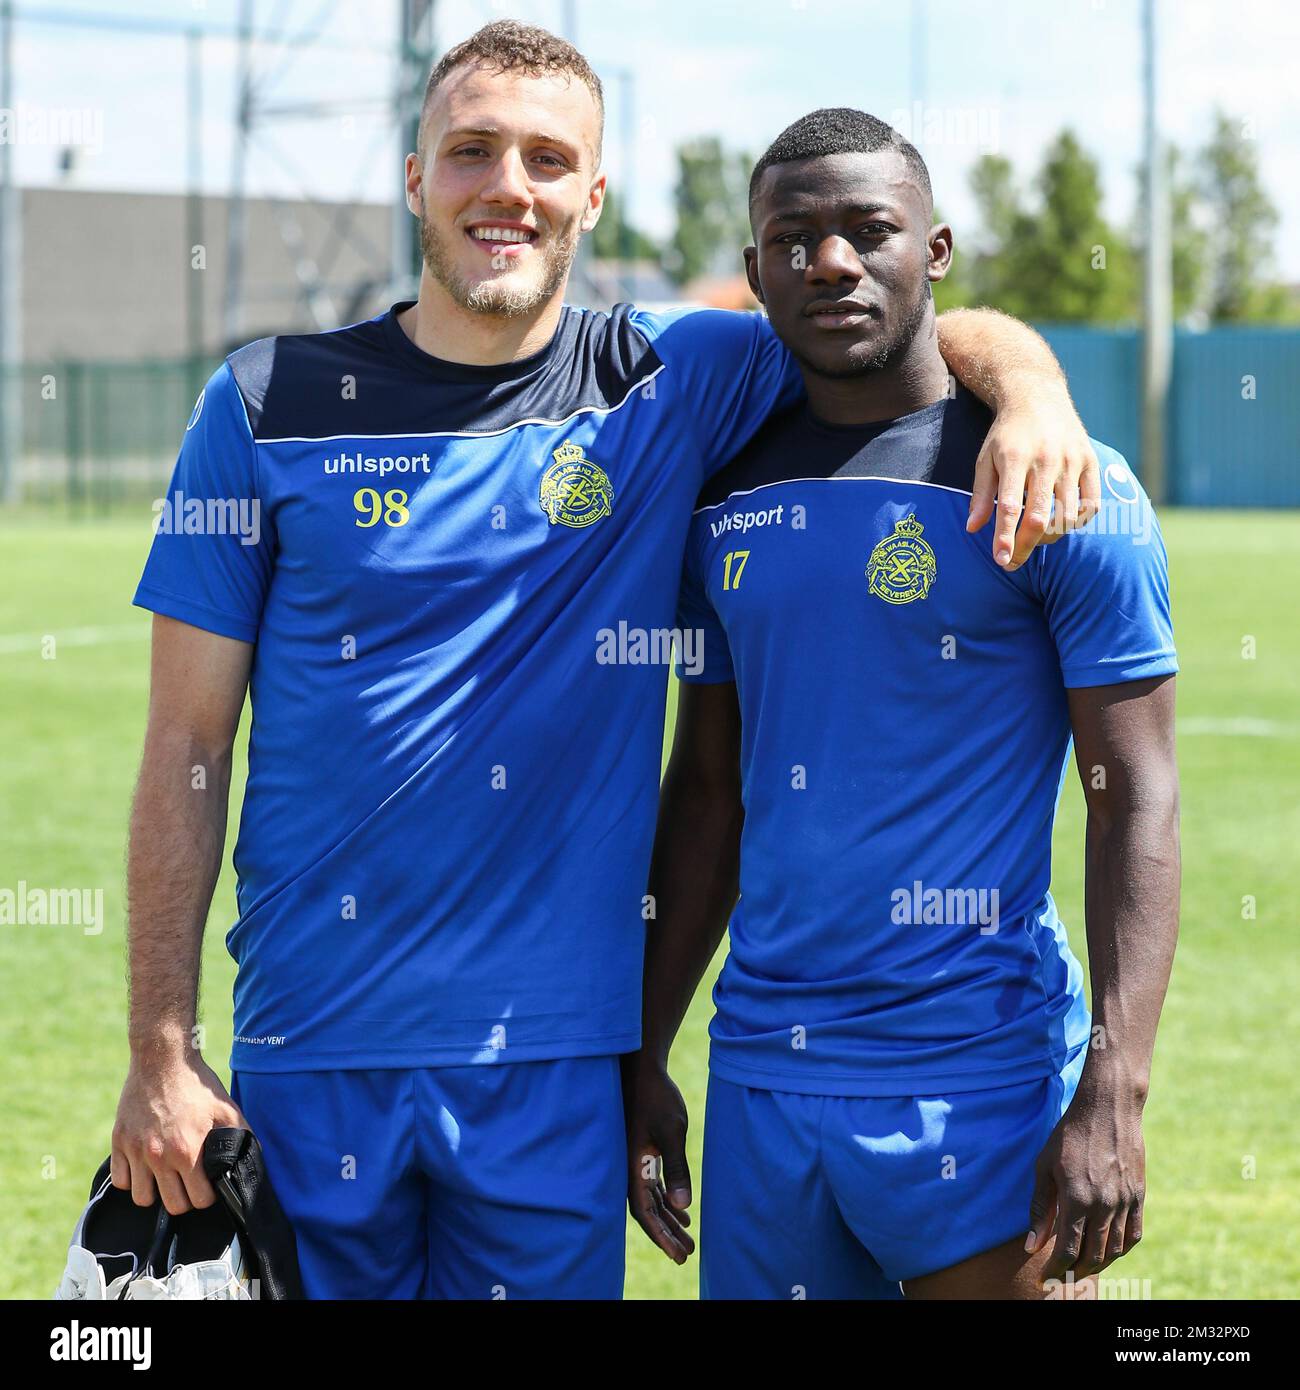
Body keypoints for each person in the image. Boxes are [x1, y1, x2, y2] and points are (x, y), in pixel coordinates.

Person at [113, 25, 1099, 1301]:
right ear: (416, 178)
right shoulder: (263, 401)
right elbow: (185, 746)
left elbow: (896, 318)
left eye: (545, 156)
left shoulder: (668, 377)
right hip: (309, 1050)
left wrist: (1035, 397)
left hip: (557, 1070)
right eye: (470, 151)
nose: (505, 185)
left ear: (592, 194)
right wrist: (159, 1050)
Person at [625, 108, 1179, 1300]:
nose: (831, 262)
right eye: (793, 239)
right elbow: (710, 792)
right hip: (765, 1076)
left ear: (932, 251)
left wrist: (1115, 1088)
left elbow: (1134, 793)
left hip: (976, 1077)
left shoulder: (1059, 483)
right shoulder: (715, 492)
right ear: (758, 267)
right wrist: (643, 1045)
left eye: (869, 230)